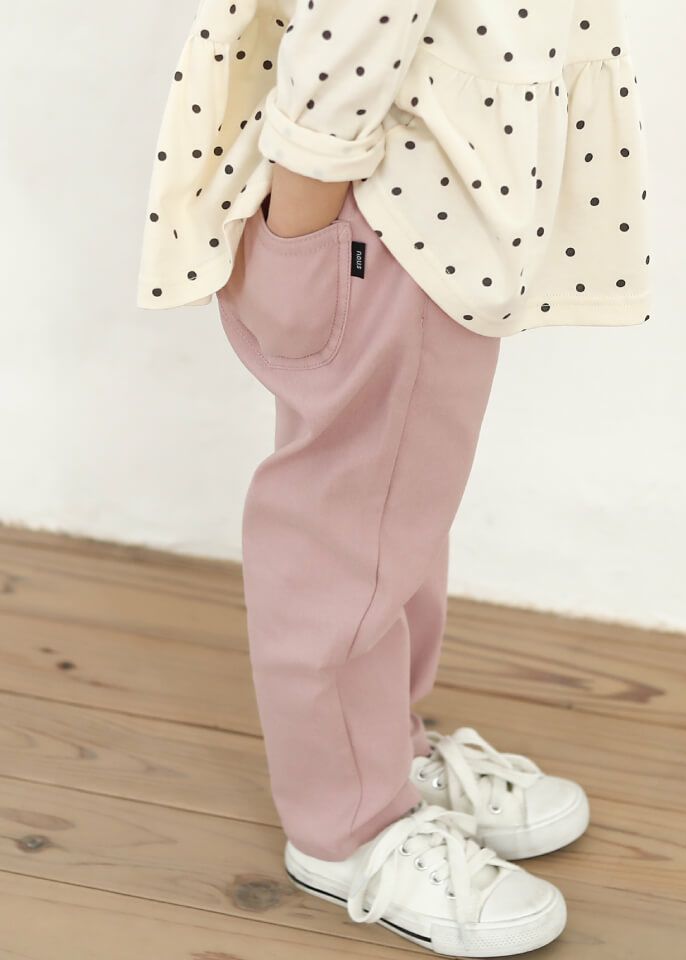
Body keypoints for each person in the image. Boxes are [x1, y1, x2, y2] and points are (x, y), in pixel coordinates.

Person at [137, 1, 653, 954]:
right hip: (392, 195)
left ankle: (385, 751)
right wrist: (308, 195)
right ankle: (348, 827)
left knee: (392, 516)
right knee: (345, 531)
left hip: (424, 188)